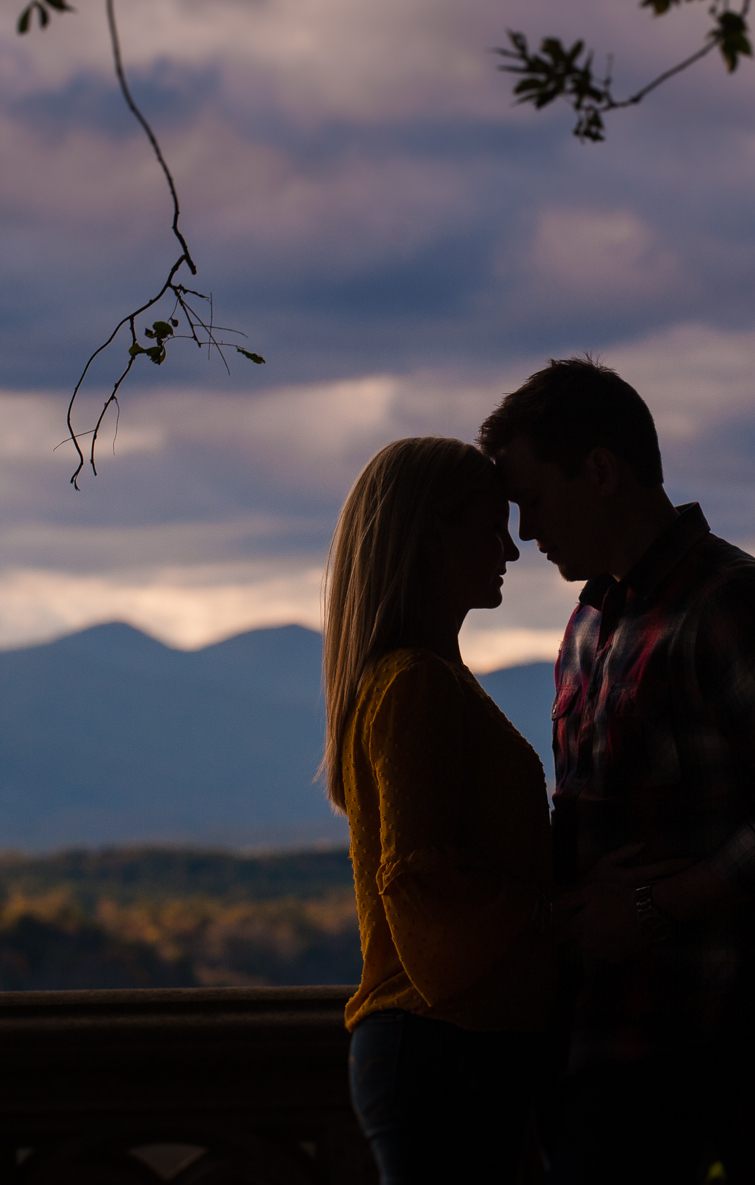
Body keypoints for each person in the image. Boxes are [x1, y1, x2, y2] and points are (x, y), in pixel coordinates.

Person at [479, 357, 755, 1185]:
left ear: (601, 470)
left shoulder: (729, 603)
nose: (526, 533)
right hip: (587, 1032)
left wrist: (654, 907)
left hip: (694, 1039)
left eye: (533, 498)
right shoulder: (588, 623)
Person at [324, 435, 558, 1184]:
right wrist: (569, 908)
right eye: (490, 526)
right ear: (431, 536)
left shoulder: (420, 679)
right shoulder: (415, 685)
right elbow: (422, 886)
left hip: (442, 1051)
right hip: (439, 1048)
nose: (511, 551)